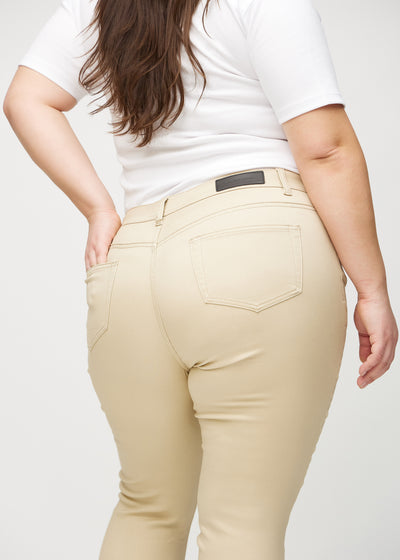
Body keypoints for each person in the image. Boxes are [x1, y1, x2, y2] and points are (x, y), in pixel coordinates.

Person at [3, 0, 398, 558]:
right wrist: (372, 289)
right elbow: (325, 148)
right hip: (254, 246)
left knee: (147, 508)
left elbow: (24, 97)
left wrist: (98, 209)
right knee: (242, 522)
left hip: (131, 265)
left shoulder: (99, 7)